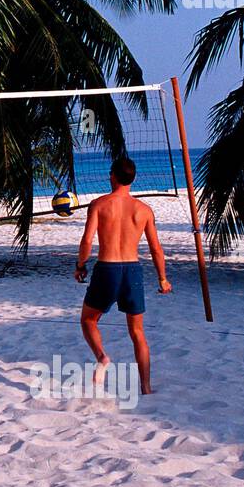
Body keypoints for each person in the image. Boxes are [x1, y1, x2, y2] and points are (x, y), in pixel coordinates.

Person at [75, 157, 172, 396]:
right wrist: (162, 278)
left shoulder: (98, 204)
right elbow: (156, 249)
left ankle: (102, 357)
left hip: (107, 268)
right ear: (133, 178)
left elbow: (87, 240)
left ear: (113, 176)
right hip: (132, 270)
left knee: (88, 320)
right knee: (137, 333)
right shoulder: (144, 210)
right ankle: (146, 388)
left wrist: (80, 265)